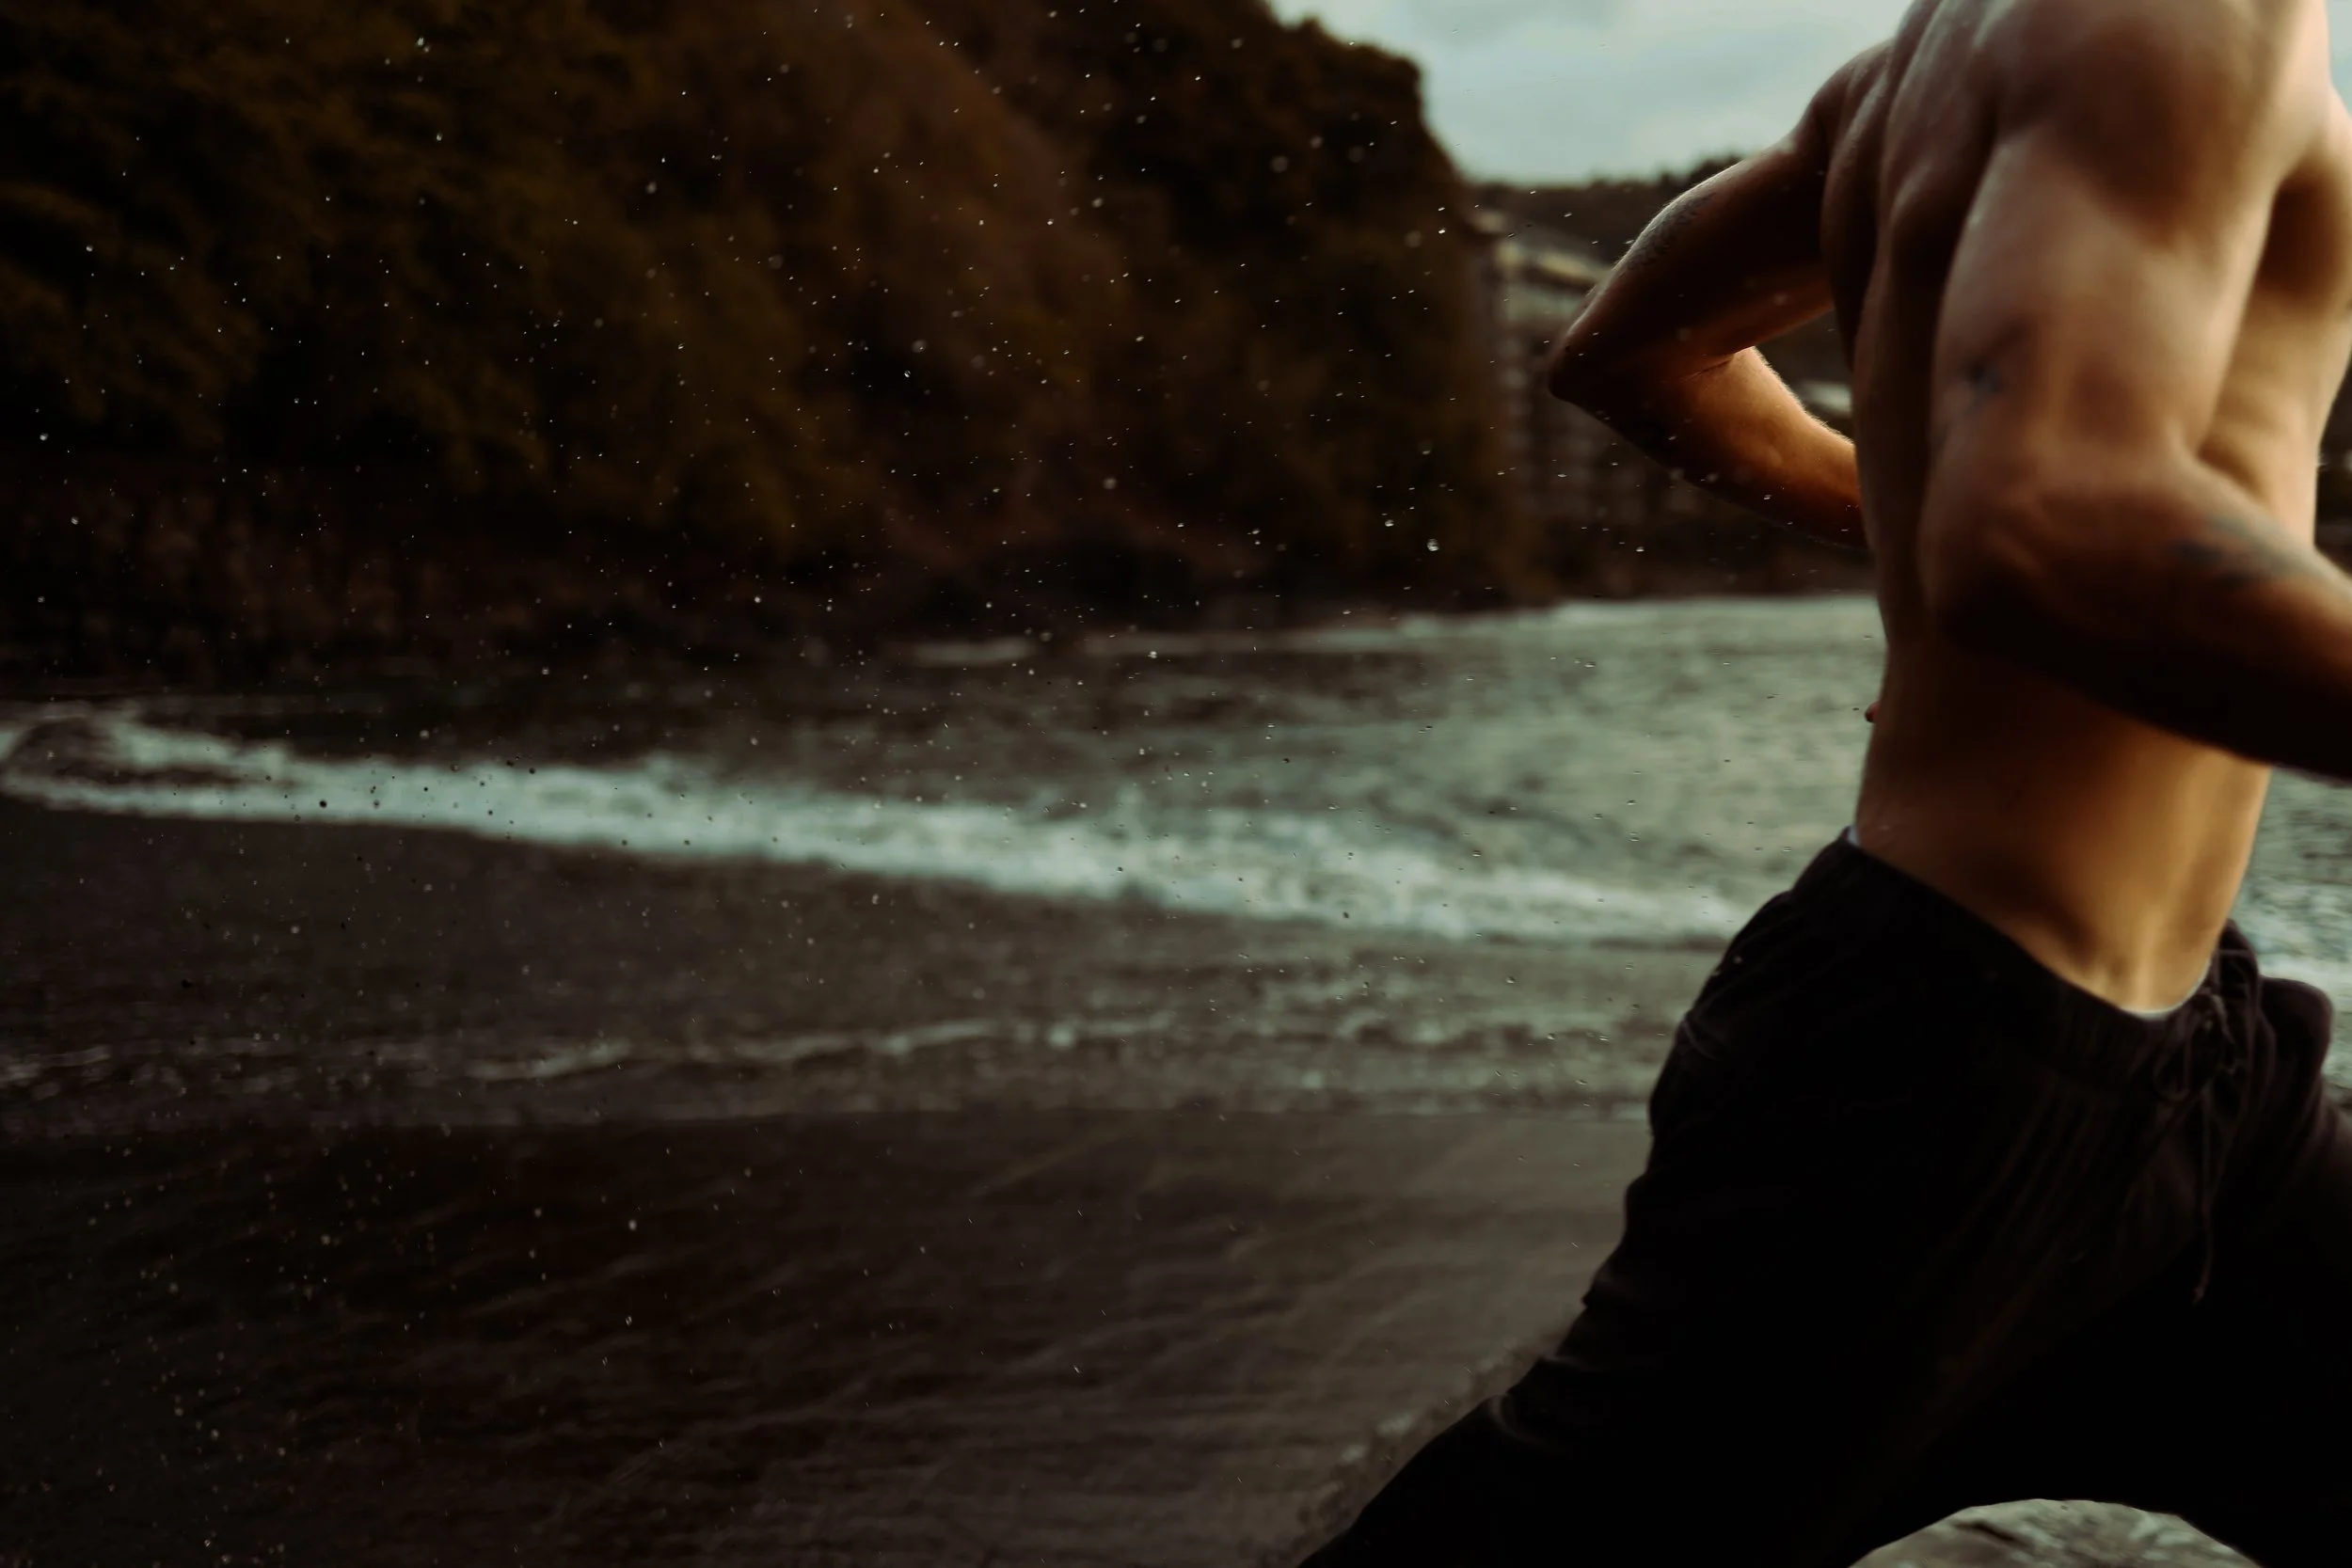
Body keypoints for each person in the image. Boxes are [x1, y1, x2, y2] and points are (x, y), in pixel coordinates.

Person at [1299, 0, 2352, 1562]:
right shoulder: (2169, 20)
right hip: (1939, 1070)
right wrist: (1978, 521)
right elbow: (2044, 517)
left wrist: (1926, 514)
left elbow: (1634, 350)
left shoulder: (1917, 71)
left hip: (2193, 1067)